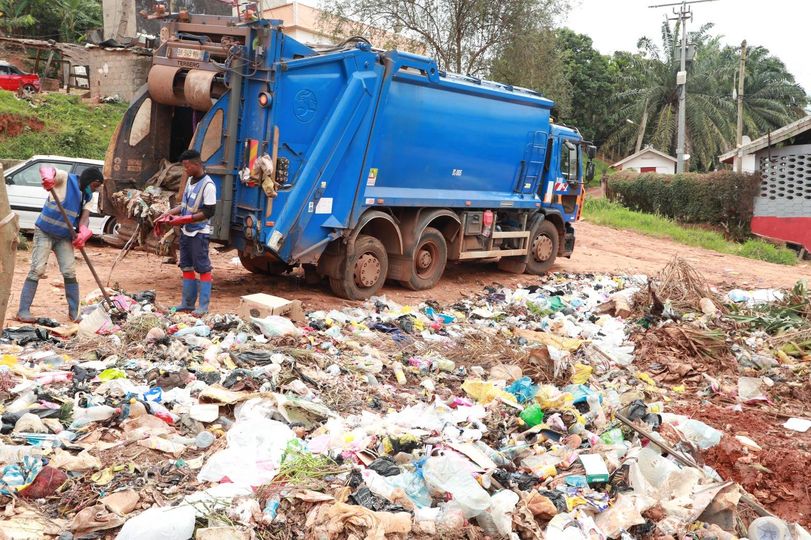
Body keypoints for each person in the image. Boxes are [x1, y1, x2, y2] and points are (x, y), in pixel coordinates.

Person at [16, 166, 104, 323]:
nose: (94, 190)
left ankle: (74, 312)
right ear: (90, 180)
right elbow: (48, 170)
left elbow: (84, 217)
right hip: (45, 232)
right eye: (95, 186)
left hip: (64, 237)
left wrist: (83, 231)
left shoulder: (88, 197)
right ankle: (23, 311)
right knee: (37, 270)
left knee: (69, 271)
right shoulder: (65, 179)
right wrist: (48, 178)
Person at [154, 149, 217, 316]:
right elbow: (184, 206)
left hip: (199, 233)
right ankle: (187, 303)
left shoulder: (209, 185)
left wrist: (182, 220)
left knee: (203, 268)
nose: (185, 170)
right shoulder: (190, 181)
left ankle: (203, 306)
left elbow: (208, 212)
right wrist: (168, 214)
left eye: (187, 166)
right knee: (186, 266)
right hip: (186, 232)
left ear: (197, 164)